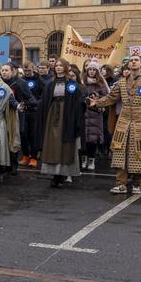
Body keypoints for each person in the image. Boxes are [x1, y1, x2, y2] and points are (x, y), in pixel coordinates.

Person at [89, 55, 141, 194]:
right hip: (123, 122)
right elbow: (111, 98)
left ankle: (136, 183)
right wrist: (98, 102)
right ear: (128, 65)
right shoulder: (122, 82)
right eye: (131, 60)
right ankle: (121, 183)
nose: (133, 61)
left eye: (136, 60)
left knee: (139, 153)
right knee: (119, 151)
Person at [38, 59, 84, 188]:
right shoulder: (50, 84)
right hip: (53, 115)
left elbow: (79, 100)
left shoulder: (71, 84)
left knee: (65, 144)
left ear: (65, 68)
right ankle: (55, 174)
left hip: (67, 116)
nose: (58, 67)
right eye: (56, 65)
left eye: (60, 65)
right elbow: (44, 101)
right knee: (53, 143)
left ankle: (63, 174)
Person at [81, 60, 109, 171]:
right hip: (83, 113)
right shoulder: (82, 82)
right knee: (83, 138)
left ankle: (91, 159)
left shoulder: (101, 83)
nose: (91, 71)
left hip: (95, 114)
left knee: (93, 139)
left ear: (97, 71)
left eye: (94, 70)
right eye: (90, 69)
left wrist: (98, 101)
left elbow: (106, 97)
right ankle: (84, 159)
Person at [19, 61, 44, 169]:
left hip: (34, 111)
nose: (27, 72)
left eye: (29, 70)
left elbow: (43, 96)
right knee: (23, 134)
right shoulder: (21, 80)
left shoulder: (40, 81)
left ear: (33, 69)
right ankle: (25, 155)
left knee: (33, 135)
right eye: (25, 70)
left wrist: (37, 103)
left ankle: (33, 158)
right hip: (23, 111)